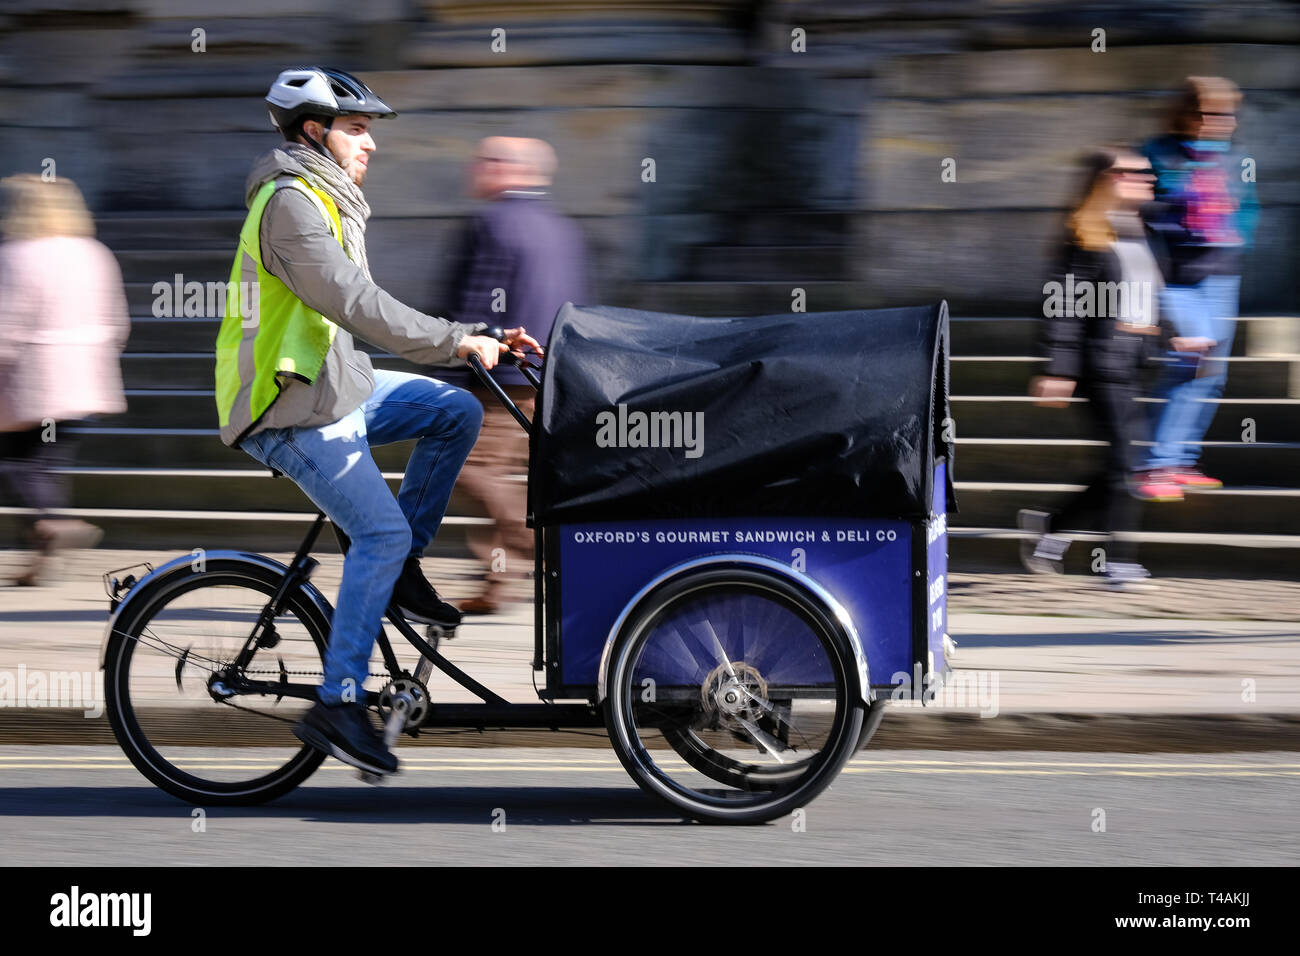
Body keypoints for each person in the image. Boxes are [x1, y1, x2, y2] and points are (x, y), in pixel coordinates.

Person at [216, 67, 540, 775]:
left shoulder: (329, 196)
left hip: (336, 386)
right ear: (313, 131)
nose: (370, 144)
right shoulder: (291, 205)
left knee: (453, 408)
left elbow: (365, 305)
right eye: (357, 129)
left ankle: (400, 571)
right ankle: (337, 703)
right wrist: (456, 340)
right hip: (287, 406)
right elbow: (356, 303)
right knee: (379, 531)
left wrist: (476, 332)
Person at [1020, 148, 1175, 588]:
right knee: (1125, 464)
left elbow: (1151, 297)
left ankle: (1050, 529)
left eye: (1147, 172)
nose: (1145, 178)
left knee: (1119, 464)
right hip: (1098, 362)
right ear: (1104, 181)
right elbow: (1062, 305)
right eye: (1130, 172)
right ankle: (1117, 561)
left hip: (1132, 361)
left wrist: (1171, 334)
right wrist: (1057, 366)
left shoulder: (1142, 231)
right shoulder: (1084, 234)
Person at [444, 137, 587, 614]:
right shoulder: (563, 228)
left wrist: (451, 359)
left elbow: (475, 300)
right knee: (530, 477)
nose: (474, 168)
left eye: (484, 160)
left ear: (508, 169)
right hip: (552, 373)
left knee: (467, 468)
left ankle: (528, 548)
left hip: (501, 377)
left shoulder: (492, 223)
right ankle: (498, 583)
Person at [0, 175, 128, 586]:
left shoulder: (17, 254)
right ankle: (40, 556)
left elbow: (7, 324)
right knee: (44, 465)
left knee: (19, 464)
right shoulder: (94, 252)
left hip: (32, 380)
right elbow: (116, 321)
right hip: (84, 379)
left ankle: (55, 523)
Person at [1138, 76, 1258, 489]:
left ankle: (1181, 459)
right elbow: (1139, 211)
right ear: (1186, 113)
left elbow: (1248, 207)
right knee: (1188, 362)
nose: (1216, 122)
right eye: (1206, 113)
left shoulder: (1233, 157)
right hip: (1174, 274)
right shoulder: (1157, 153)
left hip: (1221, 272)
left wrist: (1236, 231)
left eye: (1224, 114)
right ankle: (1155, 464)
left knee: (1211, 373)